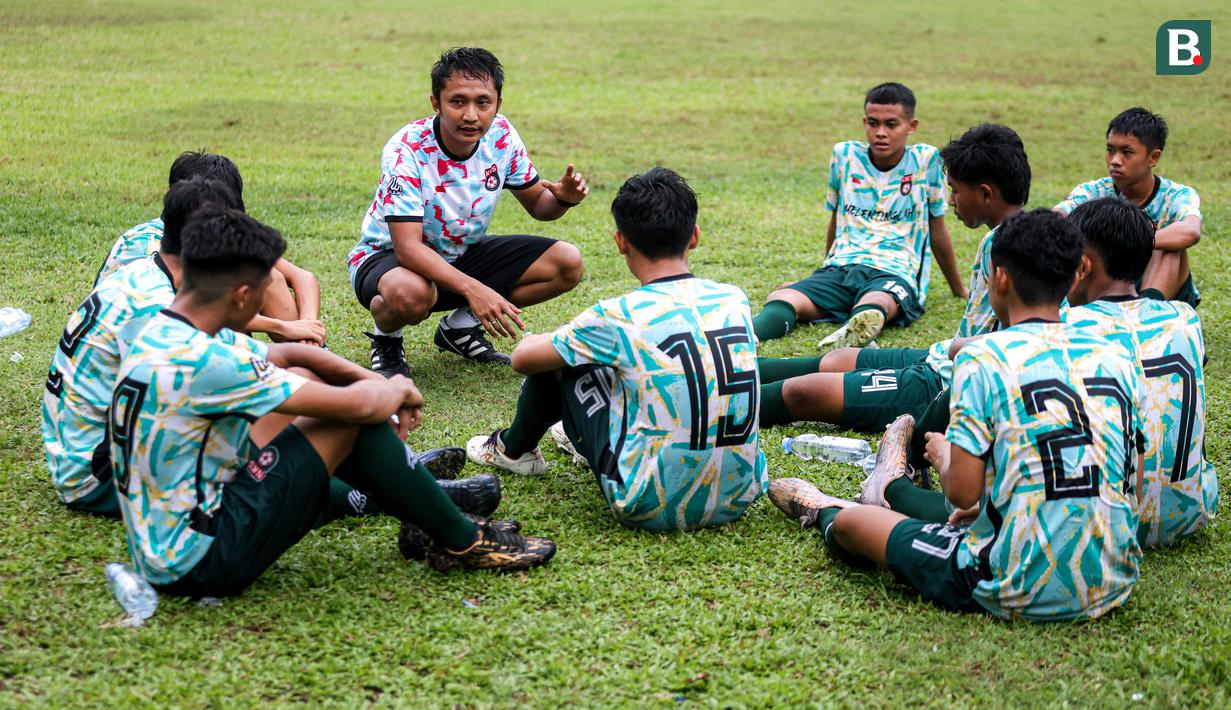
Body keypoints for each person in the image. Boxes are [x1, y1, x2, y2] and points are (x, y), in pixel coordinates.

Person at [111, 207, 554, 597]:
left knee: (310, 384)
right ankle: (462, 540)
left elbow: (289, 354)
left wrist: (371, 377)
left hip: (168, 533)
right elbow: (360, 408)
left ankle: (420, 511)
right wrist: (394, 389)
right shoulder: (210, 362)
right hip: (199, 561)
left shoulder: (163, 329)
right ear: (242, 296)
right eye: (266, 288)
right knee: (347, 419)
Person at [767, 209, 1143, 621]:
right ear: (1074, 278)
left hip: (1008, 580)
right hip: (1113, 579)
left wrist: (945, 453)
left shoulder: (983, 356)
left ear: (998, 277)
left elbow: (961, 494)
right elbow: (1132, 476)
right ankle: (886, 491)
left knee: (852, 527)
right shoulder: (1117, 352)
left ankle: (826, 506)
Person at [43, 179, 472, 518]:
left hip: (107, 443)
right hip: (98, 474)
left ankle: (390, 476)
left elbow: (286, 357)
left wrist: (359, 375)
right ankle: (367, 493)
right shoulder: (159, 310)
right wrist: (374, 392)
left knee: (293, 388)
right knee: (291, 412)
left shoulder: (149, 271)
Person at [464, 167, 768, 531]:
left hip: (647, 504)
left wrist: (536, 339)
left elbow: (523, 360)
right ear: (695, 237)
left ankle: (512, 450)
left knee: (564, 362)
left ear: (620, 241)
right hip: (740, 496)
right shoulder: (734, 298)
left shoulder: (617, 315)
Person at [756, 124, 1028, 440]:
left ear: (985, 193)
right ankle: (730, 368)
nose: (952, 199)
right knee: (839, 359)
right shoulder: (1005, 237)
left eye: (955, 189)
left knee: (804, 392)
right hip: (941, 359)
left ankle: (709, 408)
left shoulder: (1015, 251)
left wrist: (959, 348)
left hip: (949, 384)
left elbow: (1026, 341)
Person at [348, 47, 587, 374]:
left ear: (497, 104)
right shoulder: (407, 148)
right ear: (436, 103)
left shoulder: (501, 135)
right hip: (388, 259)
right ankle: (387, 341)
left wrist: (563, 198)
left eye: (482, 102)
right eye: (457, 101)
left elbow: (539, 206)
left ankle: (458, 328)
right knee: (410, 293)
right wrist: (474, 289)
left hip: (461, 254)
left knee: (566, 263)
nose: (471, 115)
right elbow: (407, 249)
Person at [750, 82, 966, 353]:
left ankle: (857, 328)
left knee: (878, 300)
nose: (881, 133)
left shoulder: (925, 160)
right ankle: (748, 337)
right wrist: (824, 269)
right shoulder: (845, 155)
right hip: (842, 266)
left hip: (894, 270)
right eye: (873, 123)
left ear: (911, 126)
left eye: (891, 124)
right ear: (864, 122)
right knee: (784, 297)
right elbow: (836, 219)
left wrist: (959, 290)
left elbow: (937, 229)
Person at [1065, 197, 1215, 548]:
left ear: (1083, 266)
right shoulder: (1185, 318)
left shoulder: (1067, 327)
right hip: (1189, 513)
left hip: (1110, 521)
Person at [94, 151, 327, 345]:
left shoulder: (202, 232)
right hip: (149, 345)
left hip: (168, 341)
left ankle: (309, 354)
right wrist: (283, 327)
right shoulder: (155, 250)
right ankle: (304, 364)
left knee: (268, 275)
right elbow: (187, 313)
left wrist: (307, 327)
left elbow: (302, 277)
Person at [1055, 107, 1202, 307]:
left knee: (1171, 247)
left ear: (1153, 157)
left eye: (1127, 152)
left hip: (1163, 291)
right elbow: (1059, 216)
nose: (1115, 161)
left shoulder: (1177, 195)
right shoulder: (1093, 191)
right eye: (1110, 150)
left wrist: (1132, 241)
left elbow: (1191, 231)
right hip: (1105, 285)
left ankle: (1146, 310)